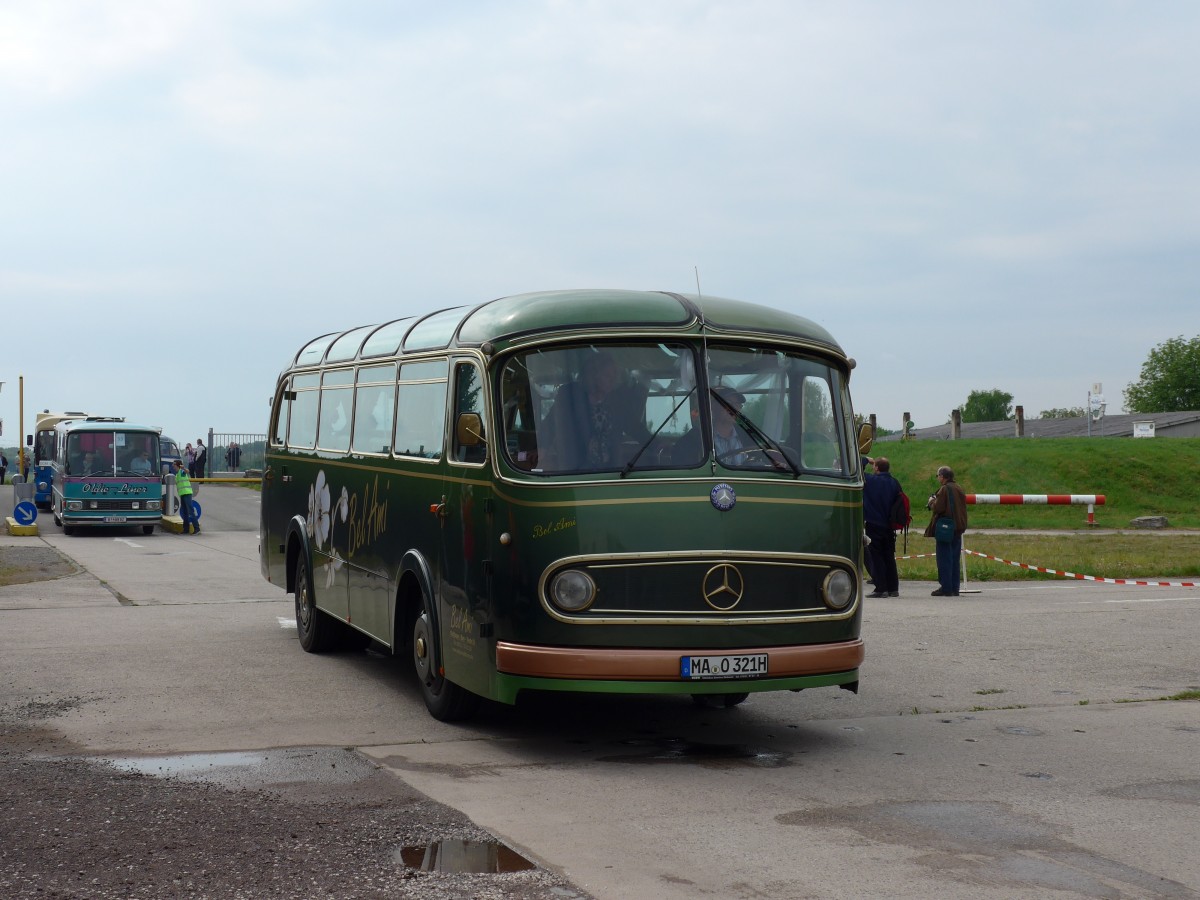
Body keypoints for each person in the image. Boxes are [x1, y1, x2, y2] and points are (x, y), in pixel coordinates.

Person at [546, 351, 647, 470]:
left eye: (614, 375)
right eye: (608, 376)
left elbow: (634, 426)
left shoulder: (616, 401)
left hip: (611, 472)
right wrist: (541, 449)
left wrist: (658, 445)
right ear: (594, 375)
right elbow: (550, 424)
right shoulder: (570, 396)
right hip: (575, 473)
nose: (613, 380)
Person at [672, 386, 755, 465]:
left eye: (737, 405)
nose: (733, 408)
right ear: (714, 407)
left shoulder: (747, 436)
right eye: (728, 403)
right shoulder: (693, 439)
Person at [924, 465, 968, 596]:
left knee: (944, 558)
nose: (938, 478)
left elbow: (939, 508)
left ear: (942, 477)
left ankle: (946, 587)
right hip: (958, 526)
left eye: (938, 476)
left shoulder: (944, 489)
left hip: (946, 528)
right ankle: (955, 587)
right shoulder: (959, 488)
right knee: (954, 558)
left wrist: (932, 501)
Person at [862, 456, 903, 598]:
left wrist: (866, 459)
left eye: (874, 466)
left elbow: (857, 471)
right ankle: (893, 588)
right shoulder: (894, 483)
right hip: (889, 524)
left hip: (874, 523)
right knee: (889, 556)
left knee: (876, 556)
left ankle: (881, 588)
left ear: (877, 468)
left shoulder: (871, 481)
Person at [174, 459, 199, 534]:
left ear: (178, 465)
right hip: (182, 494)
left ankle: (196, 529)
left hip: (187, 493)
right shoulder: (177, 474)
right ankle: (186, 529)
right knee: (185, 512)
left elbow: (187, 471)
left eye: (174, 464)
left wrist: (183, 468)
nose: (173, 466)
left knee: (190, 511)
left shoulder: (181, 472)